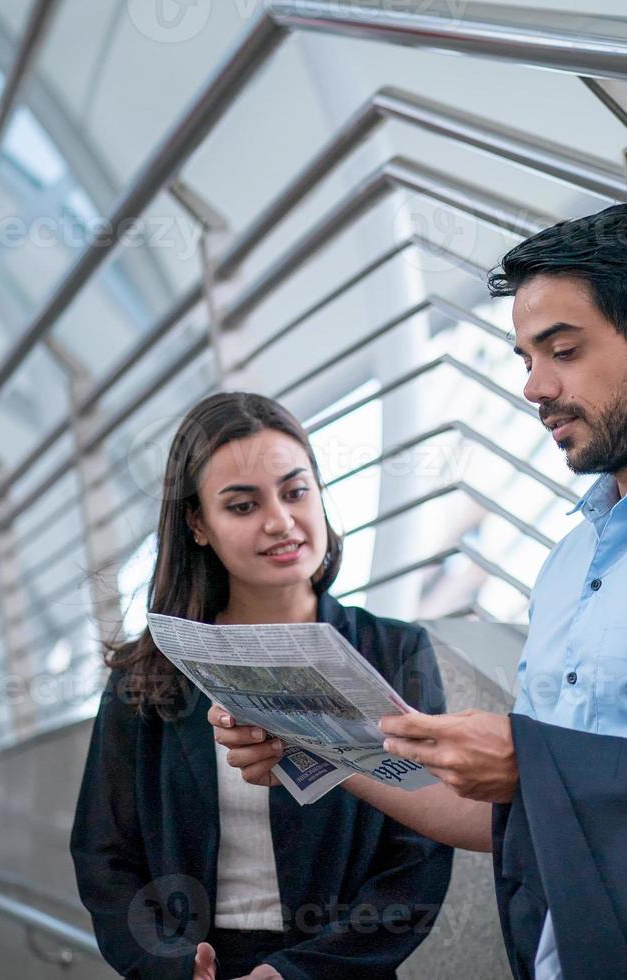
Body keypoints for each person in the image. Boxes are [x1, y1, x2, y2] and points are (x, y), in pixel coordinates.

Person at [214, 204, 627, 972]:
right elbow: (520, 815)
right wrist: (316, 742)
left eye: (562, 350)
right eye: (526, 357)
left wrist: (540, 767)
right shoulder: (569, 564)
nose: (535, 386)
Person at [70, 392, 452, 980]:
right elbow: (105, 855)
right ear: (198, 524)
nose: (281, 521)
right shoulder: (151, 674)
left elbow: (418, 855)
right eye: (243, 505)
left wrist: (297, 973)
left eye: (296, 492)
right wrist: (168, 966)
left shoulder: (394, 653)